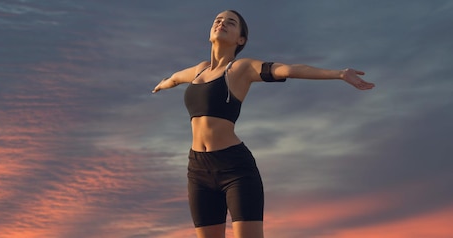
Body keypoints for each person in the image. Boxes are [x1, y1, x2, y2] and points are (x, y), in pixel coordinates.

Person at [151, 10, 375, 238]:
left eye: (231, 22)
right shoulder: (200, 70)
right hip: (198, 170)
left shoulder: (241, 68)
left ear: (241, 40)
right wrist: (165, 83)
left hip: (235, 168)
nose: (222, 23)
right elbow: (177, 77)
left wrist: (338, 74)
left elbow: (288, 69)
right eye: (218, 20)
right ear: (210, 32)